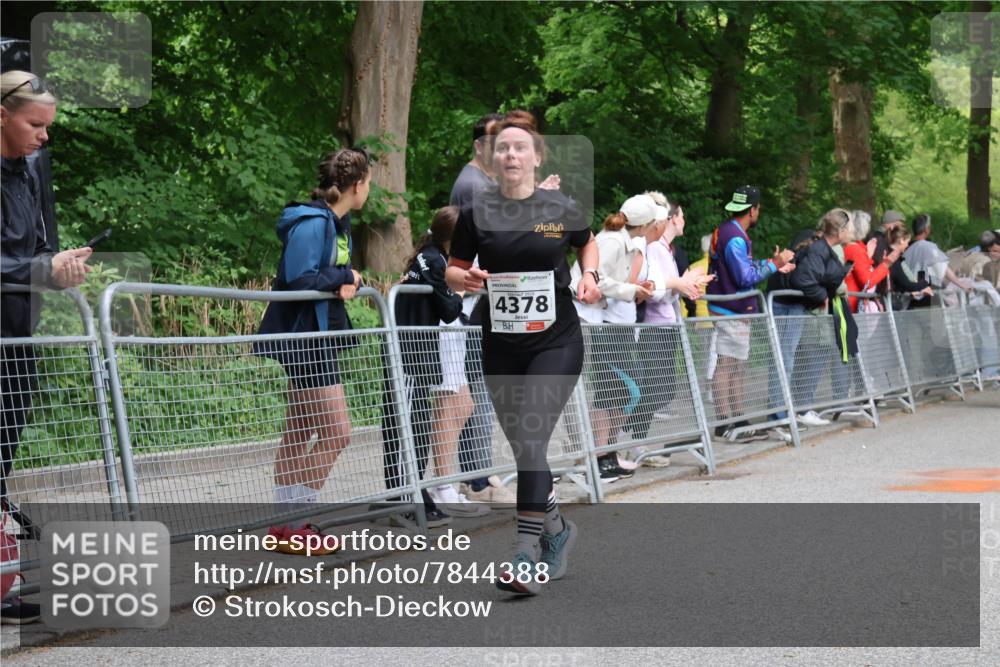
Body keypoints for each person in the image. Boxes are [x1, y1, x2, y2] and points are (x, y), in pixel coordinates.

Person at [446, 115, 601, 595]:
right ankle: (557, 533)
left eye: (519, 148)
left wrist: (589, 276)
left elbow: (587, 244)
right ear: (493, 159)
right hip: (501, 342)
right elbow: (453, 268)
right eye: (502, 149)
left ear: (536, 157)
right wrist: (463, 279)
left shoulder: (560, 207)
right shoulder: (476, 211)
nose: (510, 155)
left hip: (556, 341)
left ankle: (523, 555)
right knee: (523, 446)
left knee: (532, 437)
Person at [2, 71, 93, 625]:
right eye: (35, 125)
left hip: (17, 334)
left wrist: (57, 270)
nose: (44, 136)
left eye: (48, 126)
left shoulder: (31, 172)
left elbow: (36, 249)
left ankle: (3, 586)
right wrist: (39, 266)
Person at [256, 148, 368, 555]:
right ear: (357, 186)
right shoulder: (312, 220)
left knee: (302, 430)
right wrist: (345, 274)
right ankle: (296, 522)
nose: (368, 190)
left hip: (318, 335)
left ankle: (284, 526)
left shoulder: (336, 222)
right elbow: (299, 277)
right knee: (338, 433)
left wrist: (343, 280)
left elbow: (323, 277)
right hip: (305, 338)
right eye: (368, 183)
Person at [385, 206, 487, 523]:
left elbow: (448, 301)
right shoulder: (432, 260)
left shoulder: (437, 258)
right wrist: (456, 292)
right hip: (409, 351)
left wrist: (454, 292)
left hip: (419, 350)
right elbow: (449, 307)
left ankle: (415, 492)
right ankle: (406, 496)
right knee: (405, 421)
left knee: (414, 421)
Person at [449, 113, 516, 507]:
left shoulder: (483, 183)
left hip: (481, 300)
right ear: (479, 147)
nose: (506, 153)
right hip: (473, 303)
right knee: (475, 390)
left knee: (480, 390)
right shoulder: (473, 185)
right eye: (498, 145)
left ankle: (478, 473)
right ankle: (476, 479)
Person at [577, 194, 660, 482]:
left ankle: (607, 454)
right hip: (588, 319)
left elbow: (610, 279)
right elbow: (596, 277)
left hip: (598, 319)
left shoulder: (620, 240)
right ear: (646, 225)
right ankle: (598, 458)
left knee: (617, 389)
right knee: (611, 388)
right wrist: (631, 291)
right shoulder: (612, 241)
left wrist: (634, 287)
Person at [627, 197, 712, 465]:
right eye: (682, 216)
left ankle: (634, 439)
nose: (684, 221)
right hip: (654, 327)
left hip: (667, 325)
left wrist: (687, 284)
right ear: (672, 219)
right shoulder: (654, 249)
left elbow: (669, 290)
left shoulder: (666, 249)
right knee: (656, 388)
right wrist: (680, 285)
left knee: (663, 388)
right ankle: (631, 440)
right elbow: (654, 291)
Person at [706, 185, 794, 442]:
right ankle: (726, 422)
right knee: (727, 363)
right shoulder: (734, 236)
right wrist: (775, 263)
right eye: (758, 209)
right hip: (730, 308)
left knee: (737, 365)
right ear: (753, 210)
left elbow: (743, 267)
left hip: (731, 308)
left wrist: (772, 265)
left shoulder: (729, 231)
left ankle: (738, 418)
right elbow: (745, 277)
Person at [789, 209, 857, 415]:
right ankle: (801, 410)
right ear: (840, 230)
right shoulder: (821, 250)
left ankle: (800, 408)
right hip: (814, 316)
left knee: (811, 360)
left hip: (818, 315)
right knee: (811, 361)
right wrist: (822, 296)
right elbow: (804, 279)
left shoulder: (826, 249)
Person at [843, 210, 902, 312]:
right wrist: (886, 264)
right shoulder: (855, 249)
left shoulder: (852, 247)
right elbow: (867, 282)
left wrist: (869, 256)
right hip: (852, 306)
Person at [904, 214, 973, 299]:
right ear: (926, 229)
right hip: (925, 296)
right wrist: (961, 285)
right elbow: (942, 268)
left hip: (909, 295)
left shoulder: (906, 248)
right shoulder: (928, 247)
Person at [888, 226, 934, 310]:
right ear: (901, 240)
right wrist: (925, 283)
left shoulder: (893, 257)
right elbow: (908, 285)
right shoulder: (893, 260)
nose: (907, 245)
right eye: (907, 242)